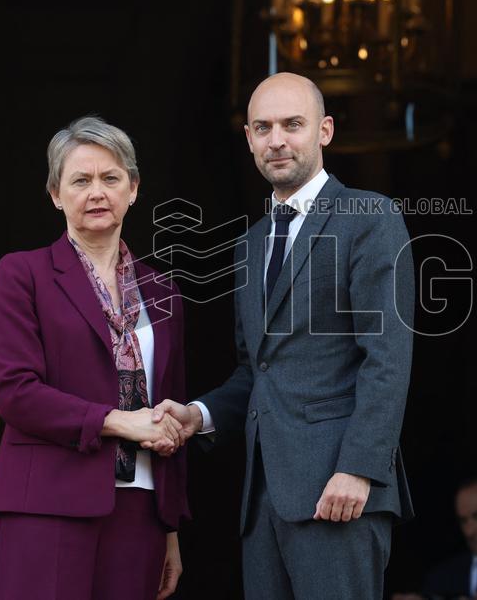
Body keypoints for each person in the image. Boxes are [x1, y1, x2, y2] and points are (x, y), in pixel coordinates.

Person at [153, 72, 416, 599]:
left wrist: (359, 470)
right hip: (264, 498)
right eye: (263, 127)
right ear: (248, 138)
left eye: (292, 125)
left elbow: (387, 356)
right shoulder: (249, 245)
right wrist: (199, 415)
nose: (277, 140)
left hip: (340, 491)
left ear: (325, 130)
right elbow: (258, 371)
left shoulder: (369, 217)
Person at [0, 116, 189, 600]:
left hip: (141, 511)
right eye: (80, 180)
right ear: (56, 194)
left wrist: (172, 526)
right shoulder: (22, 274)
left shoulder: (165, 291)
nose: (97, 192)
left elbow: (171, 410)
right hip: (45, 507)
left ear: (133, 189)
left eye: (111, 178)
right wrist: (119, 421)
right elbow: (15, 393)